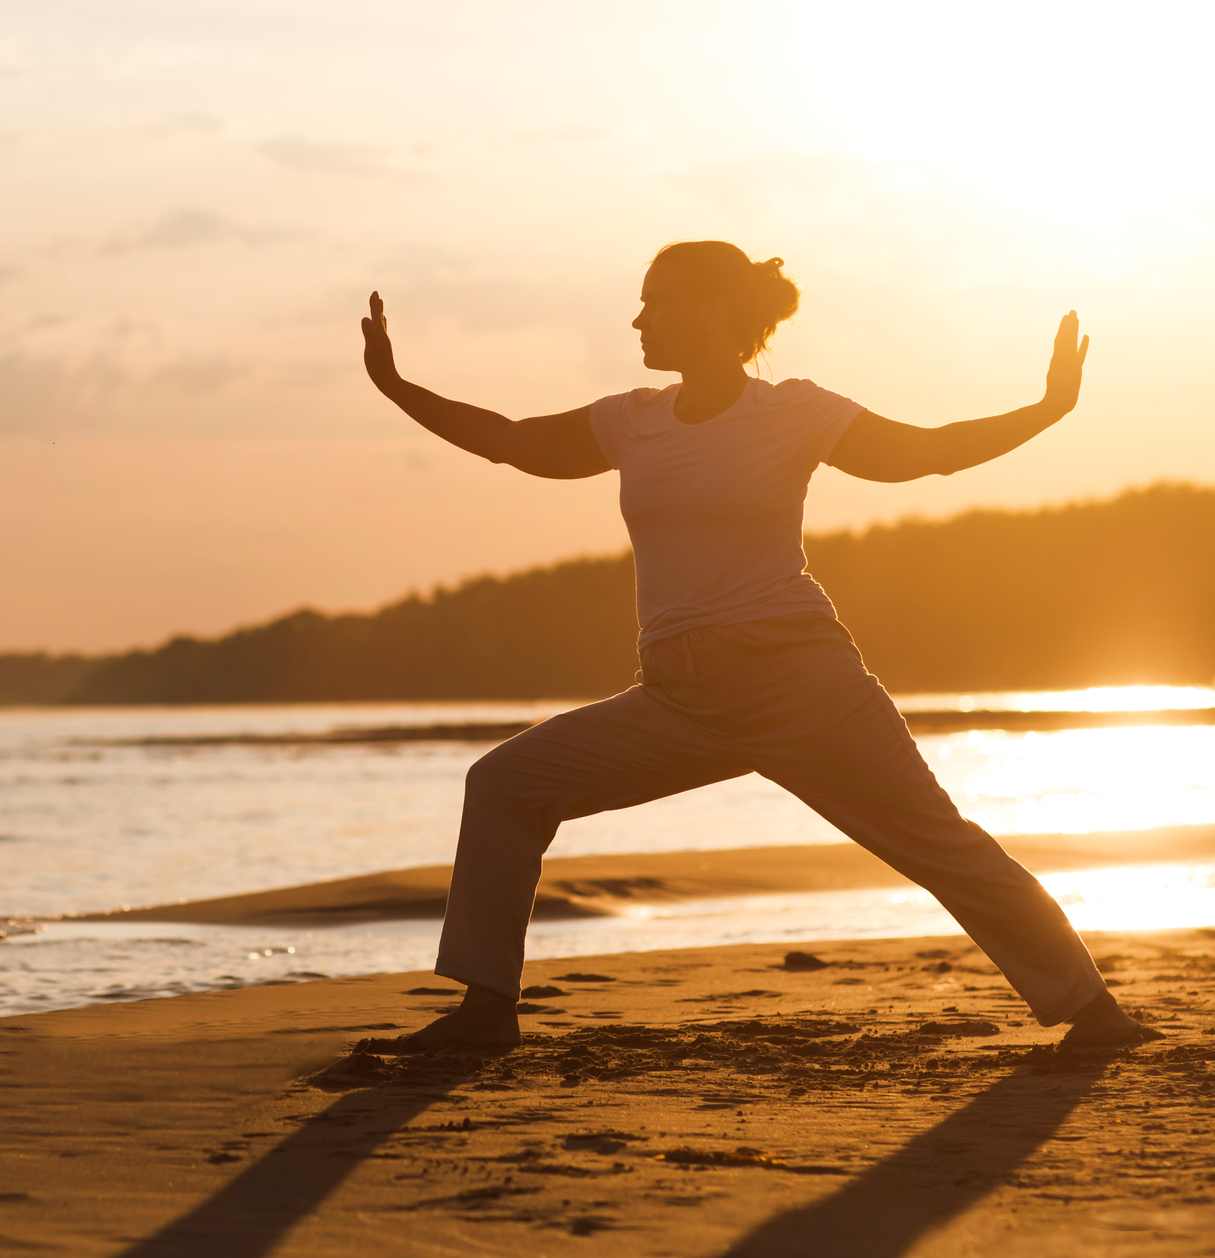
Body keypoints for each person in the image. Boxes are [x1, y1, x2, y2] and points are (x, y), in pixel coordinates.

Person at [358, 240, 1143, 1051]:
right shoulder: (631, 421)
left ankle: (1093, 1012)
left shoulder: (794, 411)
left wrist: (1045, 410)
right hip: (679, 698)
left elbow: (927, 454)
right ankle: (485, 1013)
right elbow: (510, 440)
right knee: (504, 785)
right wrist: (397, 387)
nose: (638, 317)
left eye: (656, 300)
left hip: (801, 683)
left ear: (713, 310)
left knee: (937, 843)